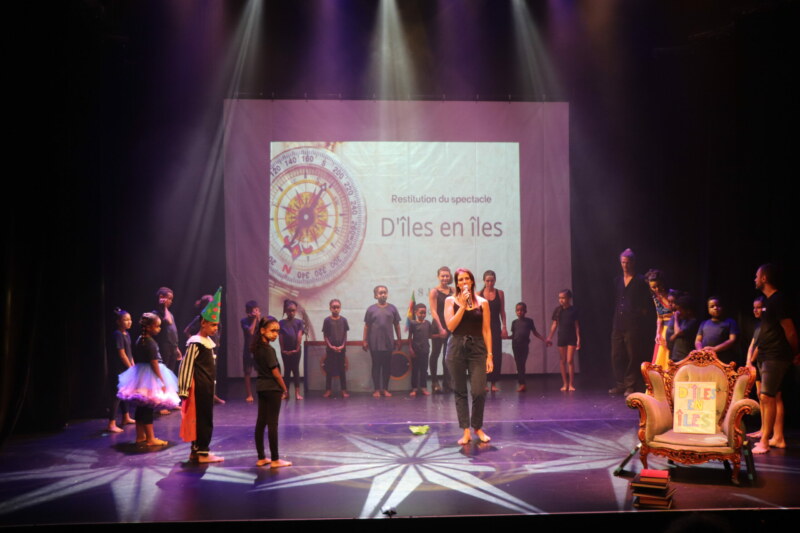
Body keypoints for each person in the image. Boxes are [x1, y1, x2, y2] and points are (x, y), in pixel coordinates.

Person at [752, 264, 798, 454]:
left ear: (764, 278)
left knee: (767, 396)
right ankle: (776, 437)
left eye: (757, 276)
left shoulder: (778, 300)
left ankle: (765, 441)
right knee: (770, 396)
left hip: (775, 355)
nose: (754, 279)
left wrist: (795, 352)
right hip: (766, 354)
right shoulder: (770, 302)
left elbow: (790, 330)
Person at [445, 268, 493, 445]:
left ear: (472, 281)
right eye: (460, 279)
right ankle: (466, 431)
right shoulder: (450, 300)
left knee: (479, 391)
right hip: (456, 346)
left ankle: (477, 427)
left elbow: (486, 330)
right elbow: (451, 326)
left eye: (467, 279)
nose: (464, 282)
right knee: (460, 391)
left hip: (477, 347)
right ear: (457, 283)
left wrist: (490, 355)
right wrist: (463, 306)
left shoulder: (483, 303)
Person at [117, 312, 180, 446]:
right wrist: (161, 380)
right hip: (150, 375)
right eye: (157, 326)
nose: (159, 329)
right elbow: (154, 363)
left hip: (140, 374)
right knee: (148, 408)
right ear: (150, 327)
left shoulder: (140, 339)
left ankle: (140, 436)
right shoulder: (150, 343)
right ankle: (150, 438)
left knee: (142, 407)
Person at [178, 288, 224, 463]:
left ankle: (196, 452)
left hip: (206, 387)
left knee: (204, 418)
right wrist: (183, 389)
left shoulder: (206, 343)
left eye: (216, 326)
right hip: (198, 388)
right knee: (202, 420)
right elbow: (186, 366)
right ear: (203, 323)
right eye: (212, 325)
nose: (215, 328)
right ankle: (202, 452)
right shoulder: (196, 343)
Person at [610, 249, 653, 397]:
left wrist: (640, 314)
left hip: (633, 324)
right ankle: (620, 384)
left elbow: (646, 302)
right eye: (623, 262)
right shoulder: (617, 280)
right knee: (616, 354)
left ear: (633, 263)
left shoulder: (640, 280)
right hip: (618, 322)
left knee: (632, 354)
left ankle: (630, 385)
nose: (625, 265)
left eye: (627, 262)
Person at [252, 316, 292, 468]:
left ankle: (261, 457)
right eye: (272, 330)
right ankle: (275, 459)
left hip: (262, 387)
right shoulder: (268, 350)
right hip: (272, 388)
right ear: (262, 330)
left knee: (261, 422)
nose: (275, 334)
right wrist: (284, 387)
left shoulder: (257, 348)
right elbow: (275, 372)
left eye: (277, 331)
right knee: (272, 423)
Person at [363, 285, 402, 398]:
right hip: (374, 343)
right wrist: (364, 340)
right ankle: (376, 389)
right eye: (380, 293)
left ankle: (385, 389)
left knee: (386, 367)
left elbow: (397, 325)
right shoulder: (371, 309)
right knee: (376, 366)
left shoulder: (393, 309)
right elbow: (366, 326)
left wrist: (399, 339)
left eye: (385, 292)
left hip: (388, 343)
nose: (383, 295)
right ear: (375, 295)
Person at [477, 270, 507, 392]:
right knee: (483, 354)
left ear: (495, 280)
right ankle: (483, 383)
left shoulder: (500, 293)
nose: (490, 283)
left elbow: (502, 311)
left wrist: (504, 327)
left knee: (495, 354)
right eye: (487, 281)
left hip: (495, 326)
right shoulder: (479, 294)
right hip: (483, 327)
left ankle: (493, 383)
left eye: (492, 280)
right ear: (484, 281)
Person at [107, 307, 135, 433]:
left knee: (125, 394)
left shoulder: (126, 334)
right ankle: (111, 423)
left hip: (126, 367)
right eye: (125, 320)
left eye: (130, 319)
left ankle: (126, 417)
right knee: (117, 395)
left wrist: (133, 364)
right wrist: (130, 367)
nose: (129, 322)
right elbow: (122, 354)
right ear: (119, 321)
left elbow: (129, 353)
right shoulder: (117, 334)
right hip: (119, 369)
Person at [547, 290, 581, 392]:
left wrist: (579, 338)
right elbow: (554, 325)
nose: (561, 300)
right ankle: (565, 383)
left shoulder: (574, 310)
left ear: (569, 298)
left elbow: (576, 326)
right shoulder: (557, 310)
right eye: (559, 298)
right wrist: (549, 337)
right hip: (562, 337)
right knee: (562, 360)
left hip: (571, 337)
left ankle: (571, 384)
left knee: (570, 360)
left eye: (563, 298)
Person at [510, 302, 549, 392]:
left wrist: (544, 339)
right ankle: (522, 384)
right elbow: (513, 335)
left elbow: (535, 333)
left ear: (525, 311)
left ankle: (522, 384)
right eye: (518, 310)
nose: (519, 312)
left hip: (524, 345)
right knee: (519, 365)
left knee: (522, 364)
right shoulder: (514, 322)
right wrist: (504, 337)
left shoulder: (529, 321)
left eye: (521, 310)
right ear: (516, 312)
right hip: (515, 345)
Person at [428, 266, 453, 393]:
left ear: (450, 277)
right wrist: (440, 328)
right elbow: (433, 311)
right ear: (438, 277)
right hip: (438, 326)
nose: (444, 278)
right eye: (442, 276)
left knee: (447, 356)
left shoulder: (453, 290)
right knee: (436, 353)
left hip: (450, 326)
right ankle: (434, 382)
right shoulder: (434, 292)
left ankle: (447, 382)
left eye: (447, 276)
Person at [695, 296, 740, 365]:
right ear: (708, 309)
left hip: (723, 361)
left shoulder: (730, 322)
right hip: (706, 360)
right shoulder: (704, 323)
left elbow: (732, 340)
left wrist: (715, 349)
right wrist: (700, 350)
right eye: (712, 306)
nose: (715, 308)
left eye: (718, 305)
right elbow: (698, 340)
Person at [645, 269, 673, 368]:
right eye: (653, 287)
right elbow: (659, 317)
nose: (657, 289)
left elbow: (678, 314)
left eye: (659, 285)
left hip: (673, 329)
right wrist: (658, 333)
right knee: (660, 358)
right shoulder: (656, 298)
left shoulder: (672, 295)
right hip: (664, 330)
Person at [322, 299, 349, 398]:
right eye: (334, 307)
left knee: (342, 369)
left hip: (341, 349)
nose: (336, 309)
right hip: (330, 350)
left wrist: (342, 346)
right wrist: (331, 346)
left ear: (340, 308)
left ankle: (343, 390)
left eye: (338, 307)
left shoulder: (344, 320)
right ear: (330, 308)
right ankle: (328, 390)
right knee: (329, 370)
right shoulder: (327, 320)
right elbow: (325, 336)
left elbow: (345, 334)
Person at [279, 299, 305, 400]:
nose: (292, 312)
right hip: (285, 350)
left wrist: (297, 348)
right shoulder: (281, 322)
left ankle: (297, 393)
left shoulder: (299, 322)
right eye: (289, 310)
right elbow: (280, 336)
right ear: (285, 310)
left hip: (296, 350)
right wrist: (282, 349)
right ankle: (286, 393)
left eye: (293, 310)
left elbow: (299, 335)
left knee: (295, 370)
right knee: (286, 371)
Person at [152, 287, 182, 376]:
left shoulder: (169, 314)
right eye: (169, 298)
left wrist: (176, 347)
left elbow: (173, 331)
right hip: (164, 347)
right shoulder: (155, 314)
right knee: (164, 371)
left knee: (170, 372)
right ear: (161, 297)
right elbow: (168, 321)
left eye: (171, 299)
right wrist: (164, 307)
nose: (171, 301)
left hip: (172, 347)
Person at [408, 303, 435, 397]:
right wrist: (410, 349)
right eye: (421, 313)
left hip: (425, 350)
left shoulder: (428, 323)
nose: (423, 315)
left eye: (424, 313)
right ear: (416, 312)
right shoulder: (412, 323)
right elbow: (409, 337)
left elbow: (430, 335)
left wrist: (440, 335)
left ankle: (423, 387)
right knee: (415, 369)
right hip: (415, 350)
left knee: (424, 369)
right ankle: (414, 388)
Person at [666, 293, 699, 362]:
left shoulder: (693, 321)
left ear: (688, 311)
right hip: (676, 355)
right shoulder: (683, 320)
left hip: (685, 356)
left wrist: (676, 318)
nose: (678, 312)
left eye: (680, 310)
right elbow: (672, 337)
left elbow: (678, 332)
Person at [240, 300, 261, 403]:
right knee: (247, 372)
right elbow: (250, 332)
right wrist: (254, 320)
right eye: (254, 310)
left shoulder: (259, 321)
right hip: (248, 350)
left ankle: (260, 392)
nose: (257, 312)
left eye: (257, 310)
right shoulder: (244, 321)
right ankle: (249, 394)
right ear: (249, 312)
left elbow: (263, 331)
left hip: (258, 350)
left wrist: (259, 319)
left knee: (260, 372)